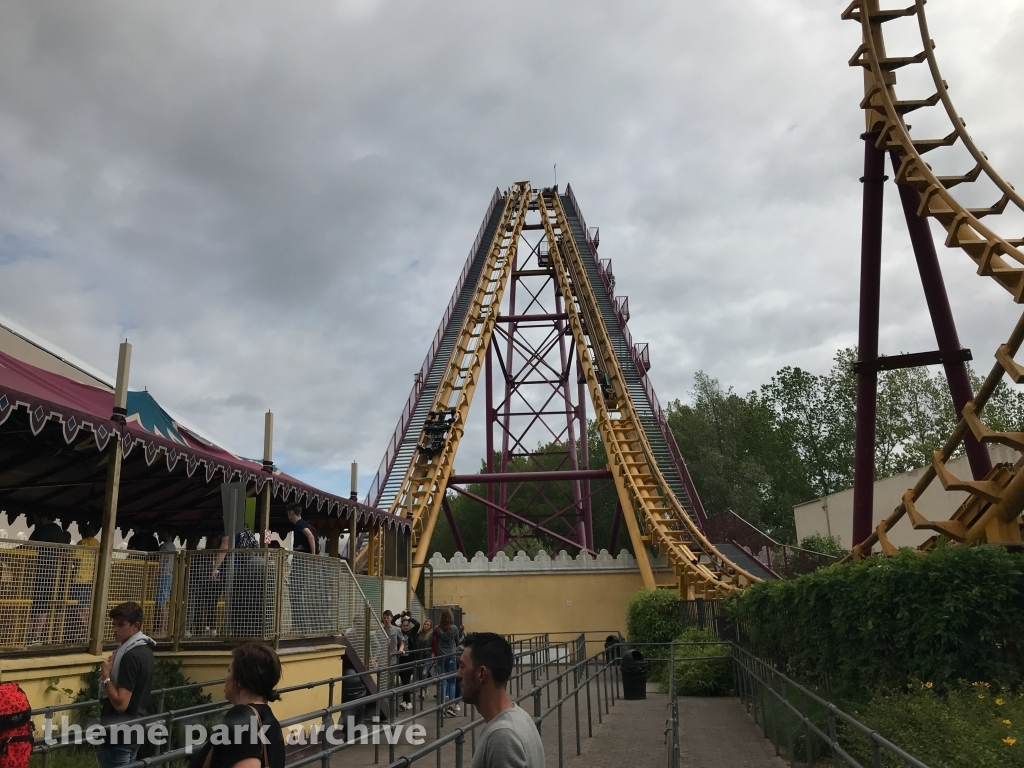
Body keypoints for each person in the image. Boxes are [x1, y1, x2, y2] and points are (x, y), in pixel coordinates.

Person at [188, 641, 285, 768]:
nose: (225, 677)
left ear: (240, 679)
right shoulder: (270, 721)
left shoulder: (241, 717)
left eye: (229, 671)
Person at [457, 633, 545, 768]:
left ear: (481, 674)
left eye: (462, 666)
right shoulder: (520, 717)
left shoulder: (503, 736)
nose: (457, 674)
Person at [97, 602, 155, 768]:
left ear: (135, 626)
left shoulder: (130, 656)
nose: (115, 629)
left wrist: (106, 676)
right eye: (114, 624)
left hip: (119, 735)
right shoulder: (145, 650)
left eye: (121, 625)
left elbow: (121, 704)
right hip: (134, 730)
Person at [70, 521, 101, 637]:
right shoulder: (98, 544)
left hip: (80, 579)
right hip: (93, 580)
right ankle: (87, 630)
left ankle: (83, 631)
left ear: (82, 533)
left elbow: (74, 558)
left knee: (79, 607)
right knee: (87, 606)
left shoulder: (82, 543)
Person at [434, 608, 460, 716]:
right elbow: (457, 641)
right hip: (451, 656)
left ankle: (442, 707)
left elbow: (431, 640)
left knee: (442, 681)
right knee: (452, 681)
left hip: (440, 656)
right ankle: (451, 705)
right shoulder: (454, 628)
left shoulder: (437, 628)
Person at [155, 528, 177, 635]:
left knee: (160, 603)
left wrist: (155, 573)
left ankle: (162, 628)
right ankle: (166, 627)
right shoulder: (173, 546)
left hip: (163, 576)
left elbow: (160, 560)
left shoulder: (164, 546)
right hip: (169, 575)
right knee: (164, 602)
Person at [397, 612, 420, 710]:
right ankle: (406, 702)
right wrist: (400, 615)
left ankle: (407, 701)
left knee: (406, 680)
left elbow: (418, 624)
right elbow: (393, 621)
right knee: (404, 681)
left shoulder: (411, 632)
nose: (406, 627)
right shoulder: (398, 632)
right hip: (401, 659)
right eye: (404, 625)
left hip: (410, 659)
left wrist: (409, 618)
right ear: (401, 626)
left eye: (407, 626)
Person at [416, 618, 434, 699]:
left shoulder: (431, 634)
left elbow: (433, 644)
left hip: (428, 655)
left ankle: (422, 691)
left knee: (424, 672)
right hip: (420, 655)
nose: (426, 626)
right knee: (422, 673)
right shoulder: (419, 634)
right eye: (425, 624)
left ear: (430, 627)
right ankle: (425, 688)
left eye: (428, 625)